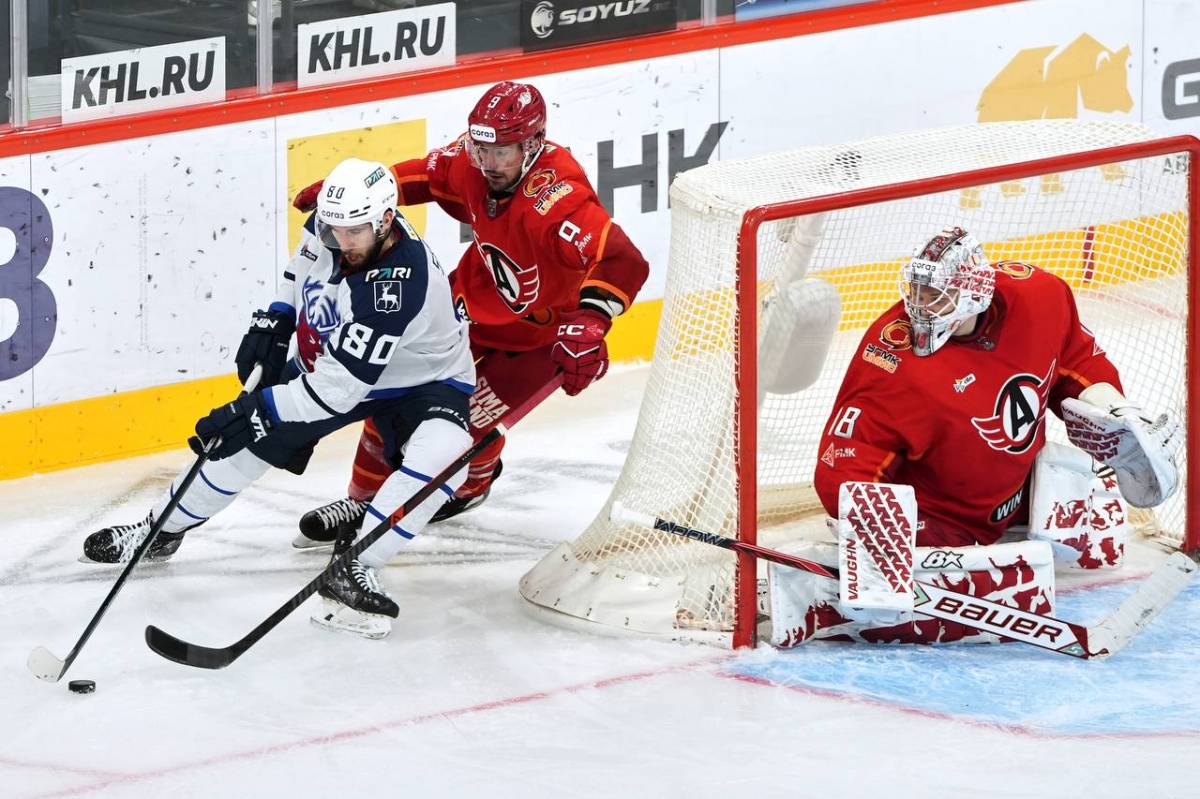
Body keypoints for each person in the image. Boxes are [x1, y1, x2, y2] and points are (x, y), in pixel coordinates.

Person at [80, 157, 476, 639]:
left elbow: (335, 393)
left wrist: (257, 410)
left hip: (425, 378)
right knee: (238, 447)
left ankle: (356, 564)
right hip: (339, 358)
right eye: (334, 230)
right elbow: (304, 261)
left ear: (386, 220)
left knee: (446, 454)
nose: (341, 243)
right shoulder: (337, 225)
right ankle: (159, 529)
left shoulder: (395, 286)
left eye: (354, 232)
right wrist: (278, 315)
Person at [288, 80, 650, 548]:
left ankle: (473, 485)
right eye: (483, 149)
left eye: (503, 152)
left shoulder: (558, 198)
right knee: (394, 396)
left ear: (534, 143)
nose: (489, 162)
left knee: (464, 424)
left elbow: (624, 259)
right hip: (466, 306)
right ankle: (362, 501)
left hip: (537, 341)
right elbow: (421, 176)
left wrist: (592, 322)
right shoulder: (472, 159)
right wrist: (358, 197)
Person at [813, 225, 1180, 550]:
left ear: (974, 291)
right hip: (939, 524)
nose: (920, 307)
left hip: (1022, 496)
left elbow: (1075, 359)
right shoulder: (891, 360)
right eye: (918, 291)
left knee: (1078, 520)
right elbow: (852, 455)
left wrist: (1112, 407)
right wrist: (878, 530)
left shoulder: (1038, 297)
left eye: (936, 295)